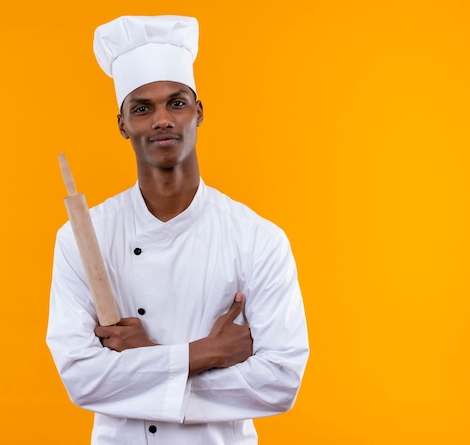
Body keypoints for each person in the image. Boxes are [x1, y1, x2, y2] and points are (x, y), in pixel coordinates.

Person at [46, 15, 309, 444]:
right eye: (142, 108)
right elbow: (82, 378)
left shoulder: (258, 238)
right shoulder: (83, 236)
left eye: (177, 102)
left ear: (199, 112)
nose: (162, 120)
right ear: (123, 124)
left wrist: (143, 363)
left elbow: (280, 381)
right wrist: (206, 353)